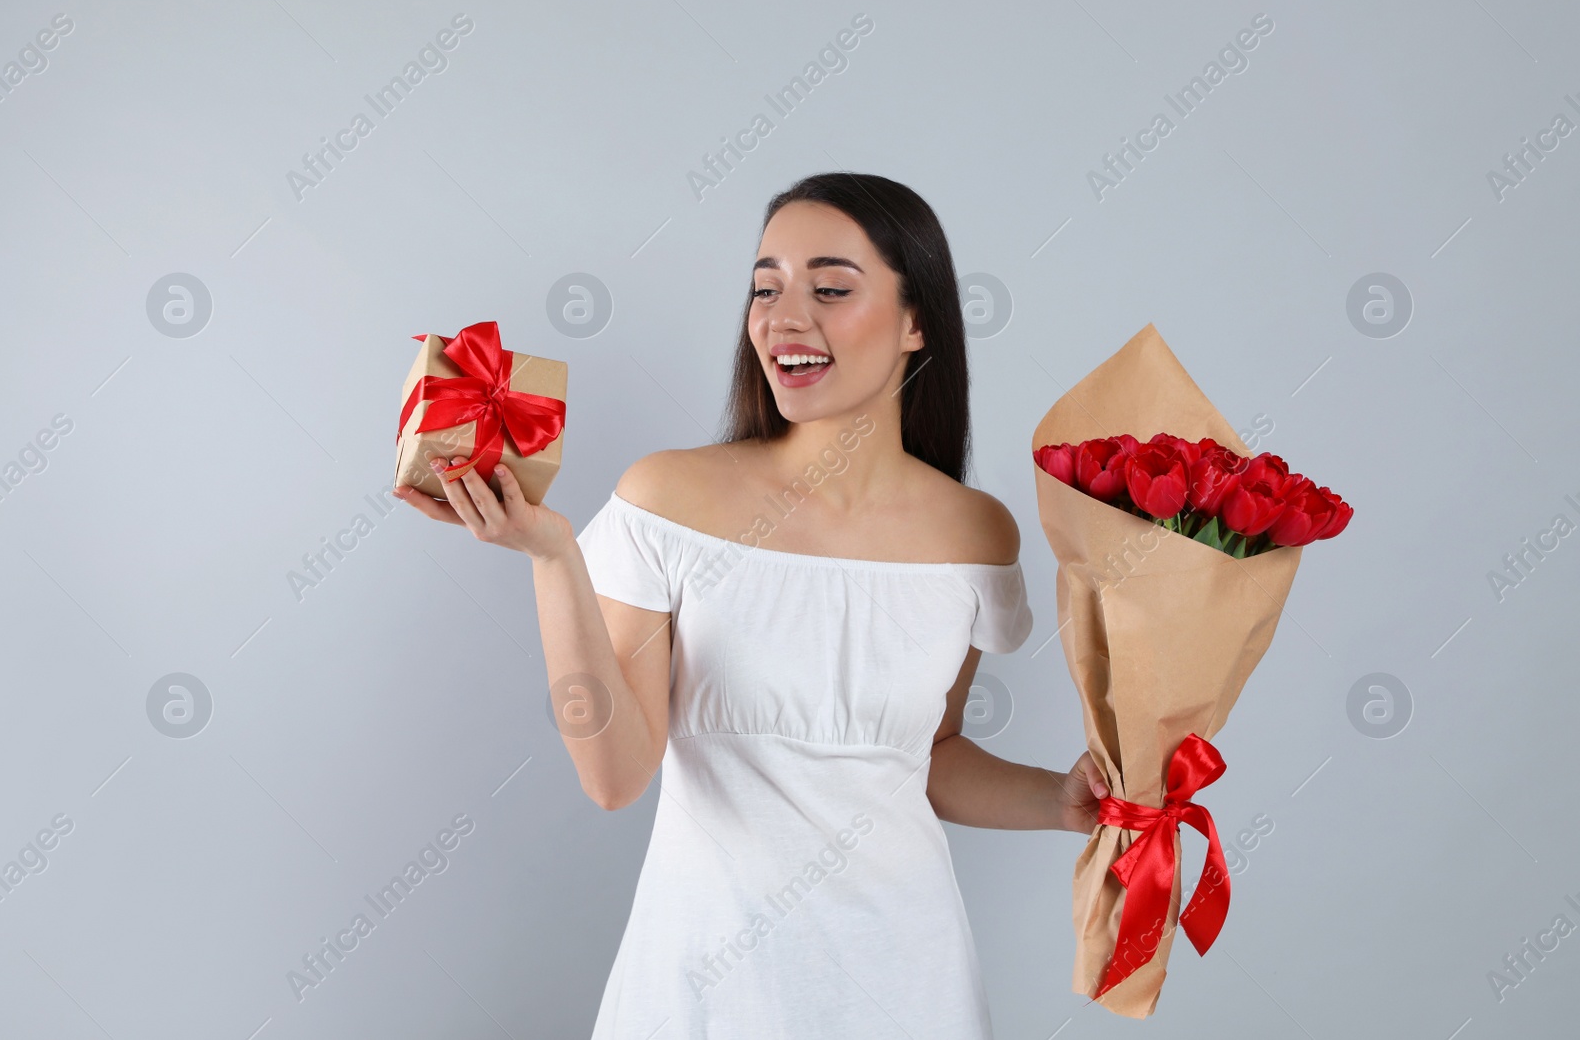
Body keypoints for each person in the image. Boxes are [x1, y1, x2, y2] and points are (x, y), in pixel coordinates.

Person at [393, 172, 1109, 1039]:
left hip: (907, 985)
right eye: (765, 287)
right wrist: (553, 560)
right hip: (703, 985)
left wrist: (1060, 797)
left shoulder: (976, 535)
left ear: (917, 321)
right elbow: (615, 774)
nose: (783, 316)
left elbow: (928, 753)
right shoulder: (669, 496)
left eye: (831, 288)